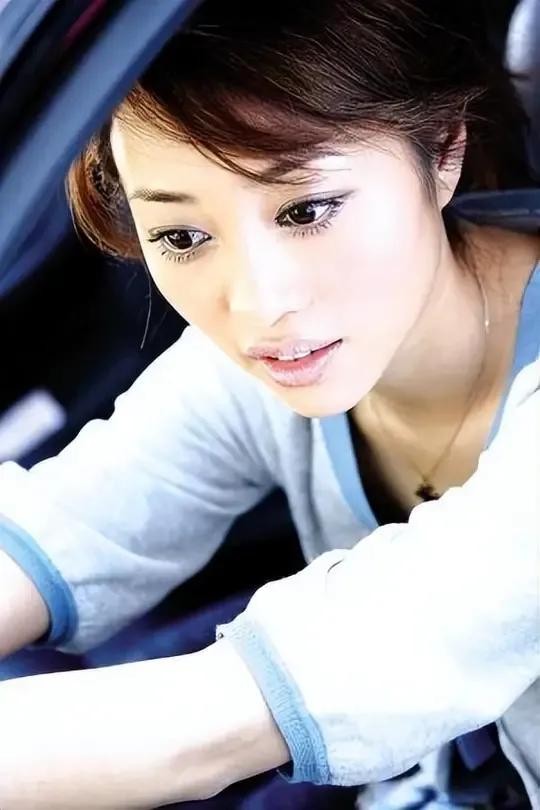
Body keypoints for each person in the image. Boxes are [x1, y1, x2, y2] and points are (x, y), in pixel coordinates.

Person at [0, 1, 538, 807]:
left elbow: (214, 726)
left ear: (444, 151)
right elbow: (62, 530)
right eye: (183, 237)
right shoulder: (274, 360)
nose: (258, 303)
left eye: (306, 211)